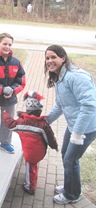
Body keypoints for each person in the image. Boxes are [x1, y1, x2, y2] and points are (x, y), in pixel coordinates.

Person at [44, 45, 96, 204]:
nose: (49, 61)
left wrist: (78, 134)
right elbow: (60, 105)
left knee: (70, 159)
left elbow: (89, 106)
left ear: (63, 58)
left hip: (86, 128)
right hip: (74, 125)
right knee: (66, 155)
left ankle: (72, 194)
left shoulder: (76, 77)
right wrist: (44, 122)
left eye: (53, 57)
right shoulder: (60, 77)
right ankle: (71, 186)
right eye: (47, 58)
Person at [2, 91, 58, 195]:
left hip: (30, 152)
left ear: (27, 110)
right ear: (39, 111)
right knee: (32, 163)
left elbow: (10, 124)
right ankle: (30, 178)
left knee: (31, 167)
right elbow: (50, 138)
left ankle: (29, 187)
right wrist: (55, 146)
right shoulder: (43, 125)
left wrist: (5, 114)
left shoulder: (20, 121)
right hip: (39, 151)